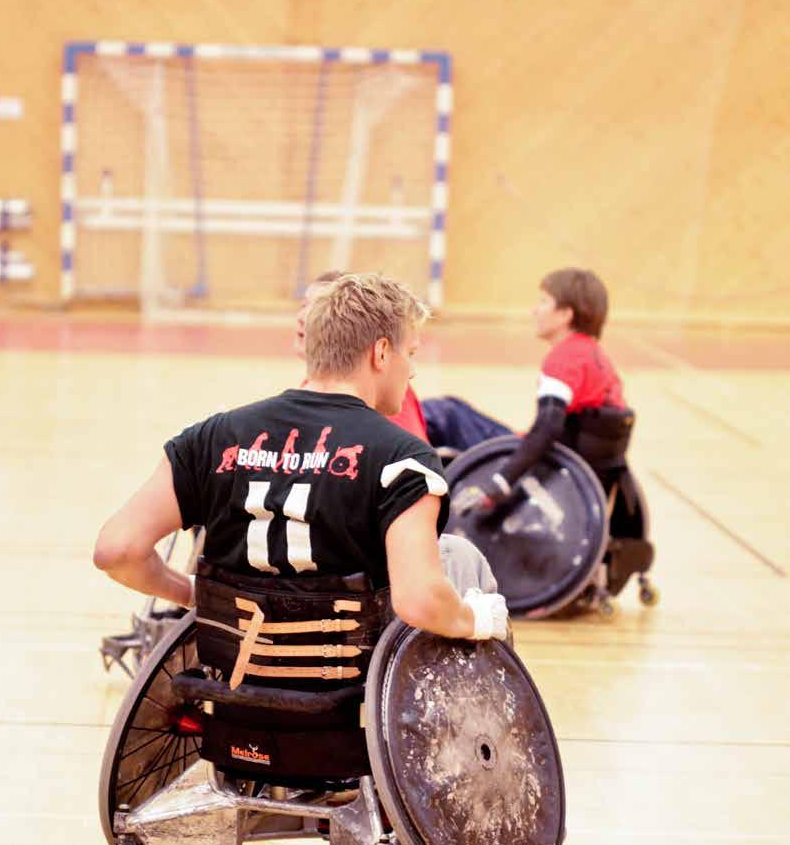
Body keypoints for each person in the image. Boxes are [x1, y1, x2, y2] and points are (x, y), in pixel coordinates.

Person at [94, 273, 508, 643]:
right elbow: (419, 601)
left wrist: (190, 593)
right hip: (347, 676)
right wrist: (479, 620)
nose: (412, 372)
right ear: (381, 353)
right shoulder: (404, 457)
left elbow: (116, 550)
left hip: (237, 664)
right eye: (411, 354)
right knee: (459, 557)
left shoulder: (210, 437)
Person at [435, 268, 633, 517]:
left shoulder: (564, 359)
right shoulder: (597, 357)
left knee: (446, 412)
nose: (534, 310)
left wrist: (501, 482)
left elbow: (548, 427)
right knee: (453, 407)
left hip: (539, 466)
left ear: (564, 314)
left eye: (543, 302)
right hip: (570, 467)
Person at [296, 270, 430, 442]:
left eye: (314, 307)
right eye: (303, 306)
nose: (301, 317)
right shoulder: (304, 393)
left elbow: (413, 458)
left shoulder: (386, 392)